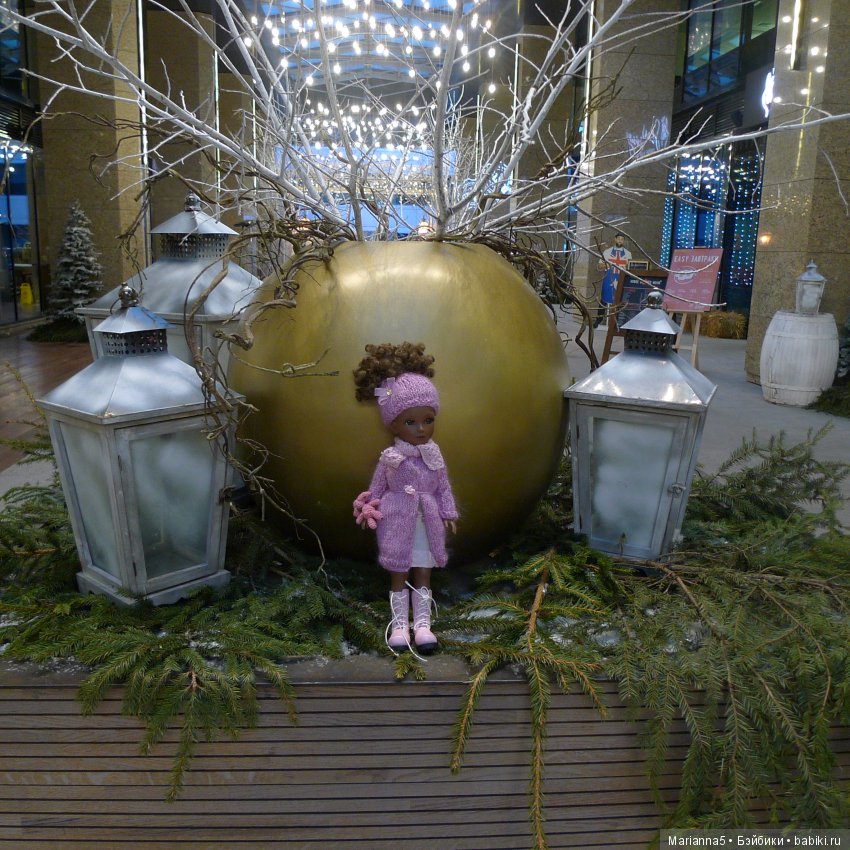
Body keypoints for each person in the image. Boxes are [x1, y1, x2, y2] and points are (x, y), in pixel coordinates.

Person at [352, 342, 459, 656]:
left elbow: (443, 486)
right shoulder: (390, 458)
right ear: (394, 424)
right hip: (396, 521)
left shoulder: (433, 455)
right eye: (411, 422)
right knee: (399, 571)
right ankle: (400, 624)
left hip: (427, 522)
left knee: (423, 570)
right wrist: (367, 507)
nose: (421, 429)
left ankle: (423, 625)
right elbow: (376, 490)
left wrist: (448, 513)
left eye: (428, 420)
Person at [595, 232, 632, 327]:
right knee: (604, 298)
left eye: (622, 239)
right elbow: (599, 266)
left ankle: (619, 321)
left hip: (621, 278)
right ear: (615, 239)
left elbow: (630, 267)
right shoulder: (607, 252)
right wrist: (607, 264)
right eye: (618, 238)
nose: (620, 241)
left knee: (620, 298)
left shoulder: (628, 254)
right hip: (609, 277)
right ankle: (599, 319)